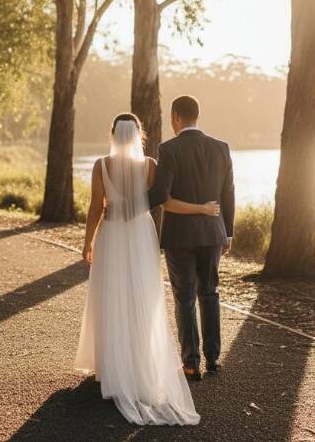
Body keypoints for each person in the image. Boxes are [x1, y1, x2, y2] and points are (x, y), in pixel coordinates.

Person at [74, 112, 220, 426]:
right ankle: (140, 362)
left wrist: (88, 242)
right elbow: (159, 200)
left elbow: (95, 208)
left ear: (113, 134)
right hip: (140, 235)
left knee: (112, 296)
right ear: (139, 134)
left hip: (112, 234)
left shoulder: (102, 165)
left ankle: (111, 365)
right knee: (142, 295)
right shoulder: (151, 165)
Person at [148, 95, 235, 381]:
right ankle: (213, 359)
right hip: (213, 233)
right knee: (209, 294)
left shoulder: (168, 149)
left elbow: (160, 195)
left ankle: (191, 363)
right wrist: (229, 231)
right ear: (197, 115)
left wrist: (127, 203)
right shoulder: (221, 148)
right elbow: (228, 194)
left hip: (179, 236)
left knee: (184, 298)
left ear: (175, 116)